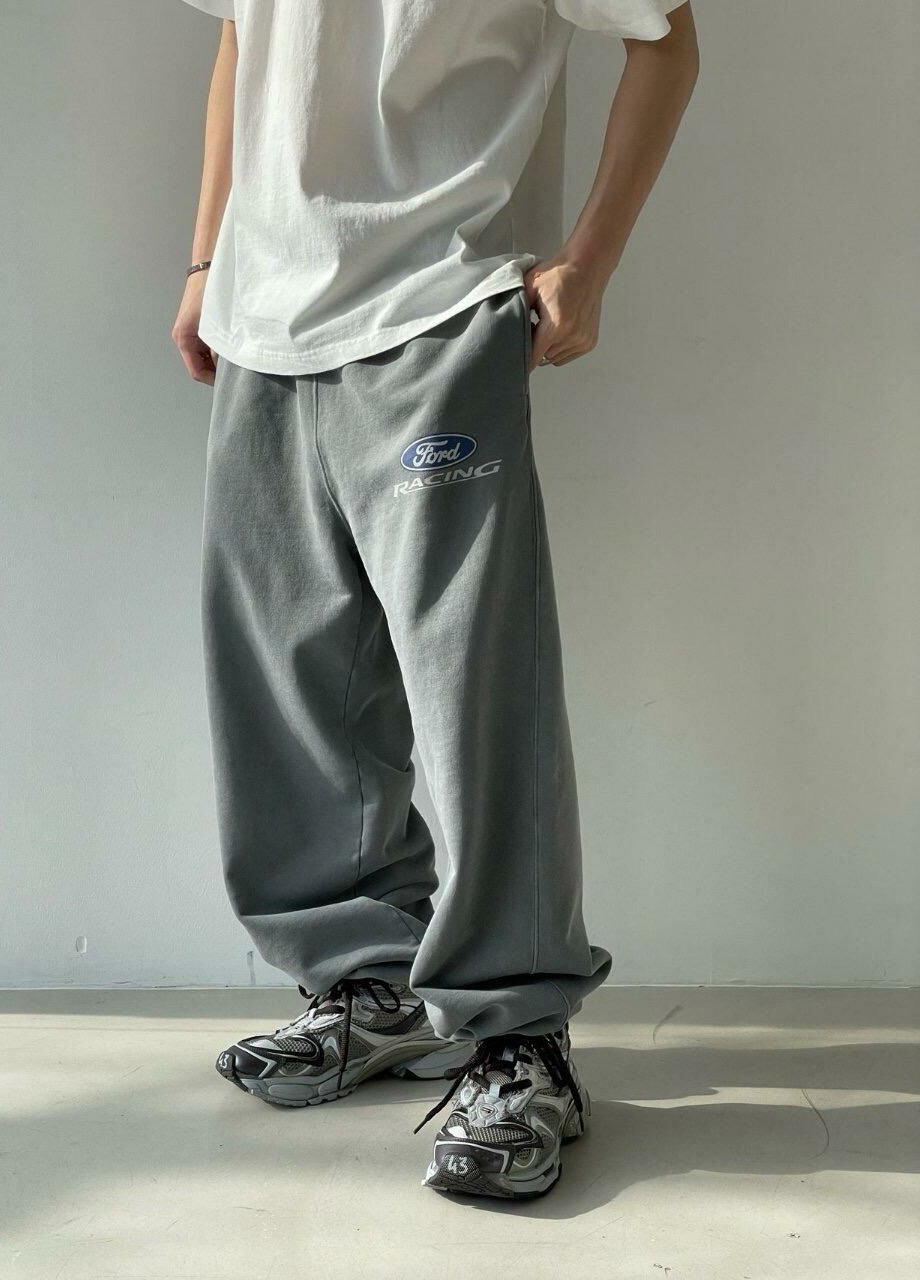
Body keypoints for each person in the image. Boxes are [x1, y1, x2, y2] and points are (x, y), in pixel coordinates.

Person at [173, 0, 698, 1201]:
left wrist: (588, 266)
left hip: (440, 302)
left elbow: (666, 39)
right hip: (262, 314)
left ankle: (521, 1039)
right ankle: (368, 985)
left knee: (476, 690)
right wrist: (206, 259)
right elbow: (243, 38)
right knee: (286, 687)